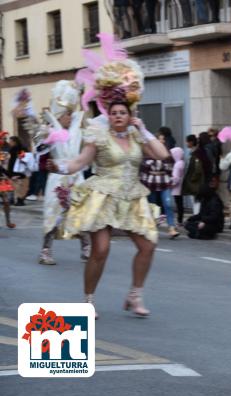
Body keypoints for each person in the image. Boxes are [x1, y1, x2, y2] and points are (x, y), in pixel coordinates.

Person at [51, 38, 170, 319]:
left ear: (130, 115)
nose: (118, 116)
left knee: (148, 245)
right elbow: (81, 161)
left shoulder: (135, 134)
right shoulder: (98, 134)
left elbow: (163, 155)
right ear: (108, 113)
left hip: (132, 197)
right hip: (103, 196)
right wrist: (58, 166)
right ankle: (88, 300)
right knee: (101, 249)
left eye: (123, 113)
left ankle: (135, 295)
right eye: (114, 112)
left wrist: (143, 131)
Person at [35, 80, 91, 265]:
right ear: (58, 115)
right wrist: (45, 137)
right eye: (66, 114)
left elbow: (83, 116)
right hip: (57, 177)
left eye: (70, 113)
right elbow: (39, 149)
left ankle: (86, 249)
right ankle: (45, 251)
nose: (69, 116)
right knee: (54, 214)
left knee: (81, 213)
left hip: (76, 176)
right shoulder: (49, 130)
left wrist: (80, 93)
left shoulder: (77, 130)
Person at [0, 131, 16, 228]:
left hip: (1, 179)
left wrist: (9, 175)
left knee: (6, 201)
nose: (4, 140)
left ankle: (8, 222)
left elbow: (2, 167)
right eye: (2, 138)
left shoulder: (4, 151)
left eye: (4, 139)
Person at [170, 147, 185, 226]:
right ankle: (180, 220)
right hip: (181, 186)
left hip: (177, 188)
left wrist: (170, 183)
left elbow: (175, 178)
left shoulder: (177, 164)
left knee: (178, 204)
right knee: (180, 204)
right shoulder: (182, 162)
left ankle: (179, 220)